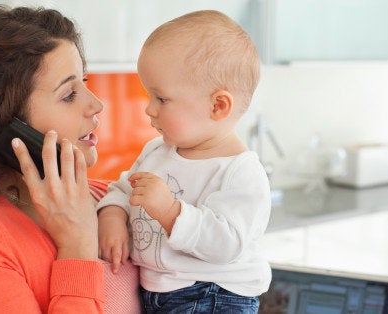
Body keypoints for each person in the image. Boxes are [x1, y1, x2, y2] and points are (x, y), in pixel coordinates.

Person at [0, 5, 139, 313]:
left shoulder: (117, 198)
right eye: (69, 94)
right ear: (5, 128)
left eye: (84, 82)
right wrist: (77, 248)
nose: (97, 104)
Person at [97, 10, 271, 313]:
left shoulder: (240, 172)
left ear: (217, 105)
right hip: (158, 292)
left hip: (213, 296)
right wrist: (112, 215)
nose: (149, 110)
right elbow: (123, 189)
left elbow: (226, 244)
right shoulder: (156, 151)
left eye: (161, 99)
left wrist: (169, 211)